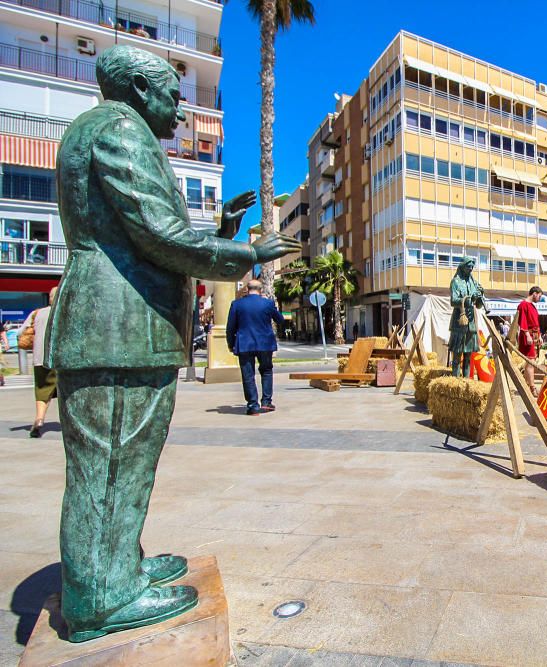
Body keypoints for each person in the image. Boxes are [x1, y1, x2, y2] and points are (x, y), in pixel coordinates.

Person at [48, 45, 300, 642]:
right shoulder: (118, 129)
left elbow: (143, 234)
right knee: (111, 462)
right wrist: (248, 254)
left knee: (122, 462)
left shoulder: (106, 129)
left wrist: (222, 231)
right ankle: (100, 598)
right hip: (117, 325)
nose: (180, 110)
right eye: (172, 96)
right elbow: (157, 235)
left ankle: (118, 568)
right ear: (138, 89)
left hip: (122, 323)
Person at [227, 279, 285, 415]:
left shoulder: (237, 304)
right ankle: (266, 402)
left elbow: (230, 327)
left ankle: (253, 405)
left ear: (247, 289)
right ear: (261, 290)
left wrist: (231, 343)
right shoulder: (267, 303)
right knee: (266, 371)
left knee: (248, 375)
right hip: (265, 343)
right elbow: (280, 320)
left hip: (244, 343)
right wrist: (273, 307)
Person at [21, 286, 59, 436]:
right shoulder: (66, 312)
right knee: (67, 391)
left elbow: (21, 331)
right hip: (61, 360)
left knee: (42, 390)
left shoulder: (37, 313)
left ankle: (39, 419)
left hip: (40, 358)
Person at [448, 257, 485, 377]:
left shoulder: (473, 282)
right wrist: (470, 299)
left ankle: (467, 381)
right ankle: (455, 379)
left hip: (471, 323)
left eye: (472, 267)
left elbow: (478, 305)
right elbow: (453, 301)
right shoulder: (456, 282)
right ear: (462, 266)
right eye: (468, 266)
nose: (471, 269)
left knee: (468, 355)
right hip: (459, 321)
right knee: (457, 354)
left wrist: (480, 296)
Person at [517, 286, 543, 396]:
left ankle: (524, 384)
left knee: (530, 361)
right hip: (528, 335)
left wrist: (539, 336)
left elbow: (535, 322)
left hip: (534, 335)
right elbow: (522, 321)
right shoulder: (523, 305)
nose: (540, 299)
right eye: (539, 296)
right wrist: (527, 335)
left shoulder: (532, 306)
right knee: (531, 362)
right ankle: (532, 388)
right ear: (535, 293)